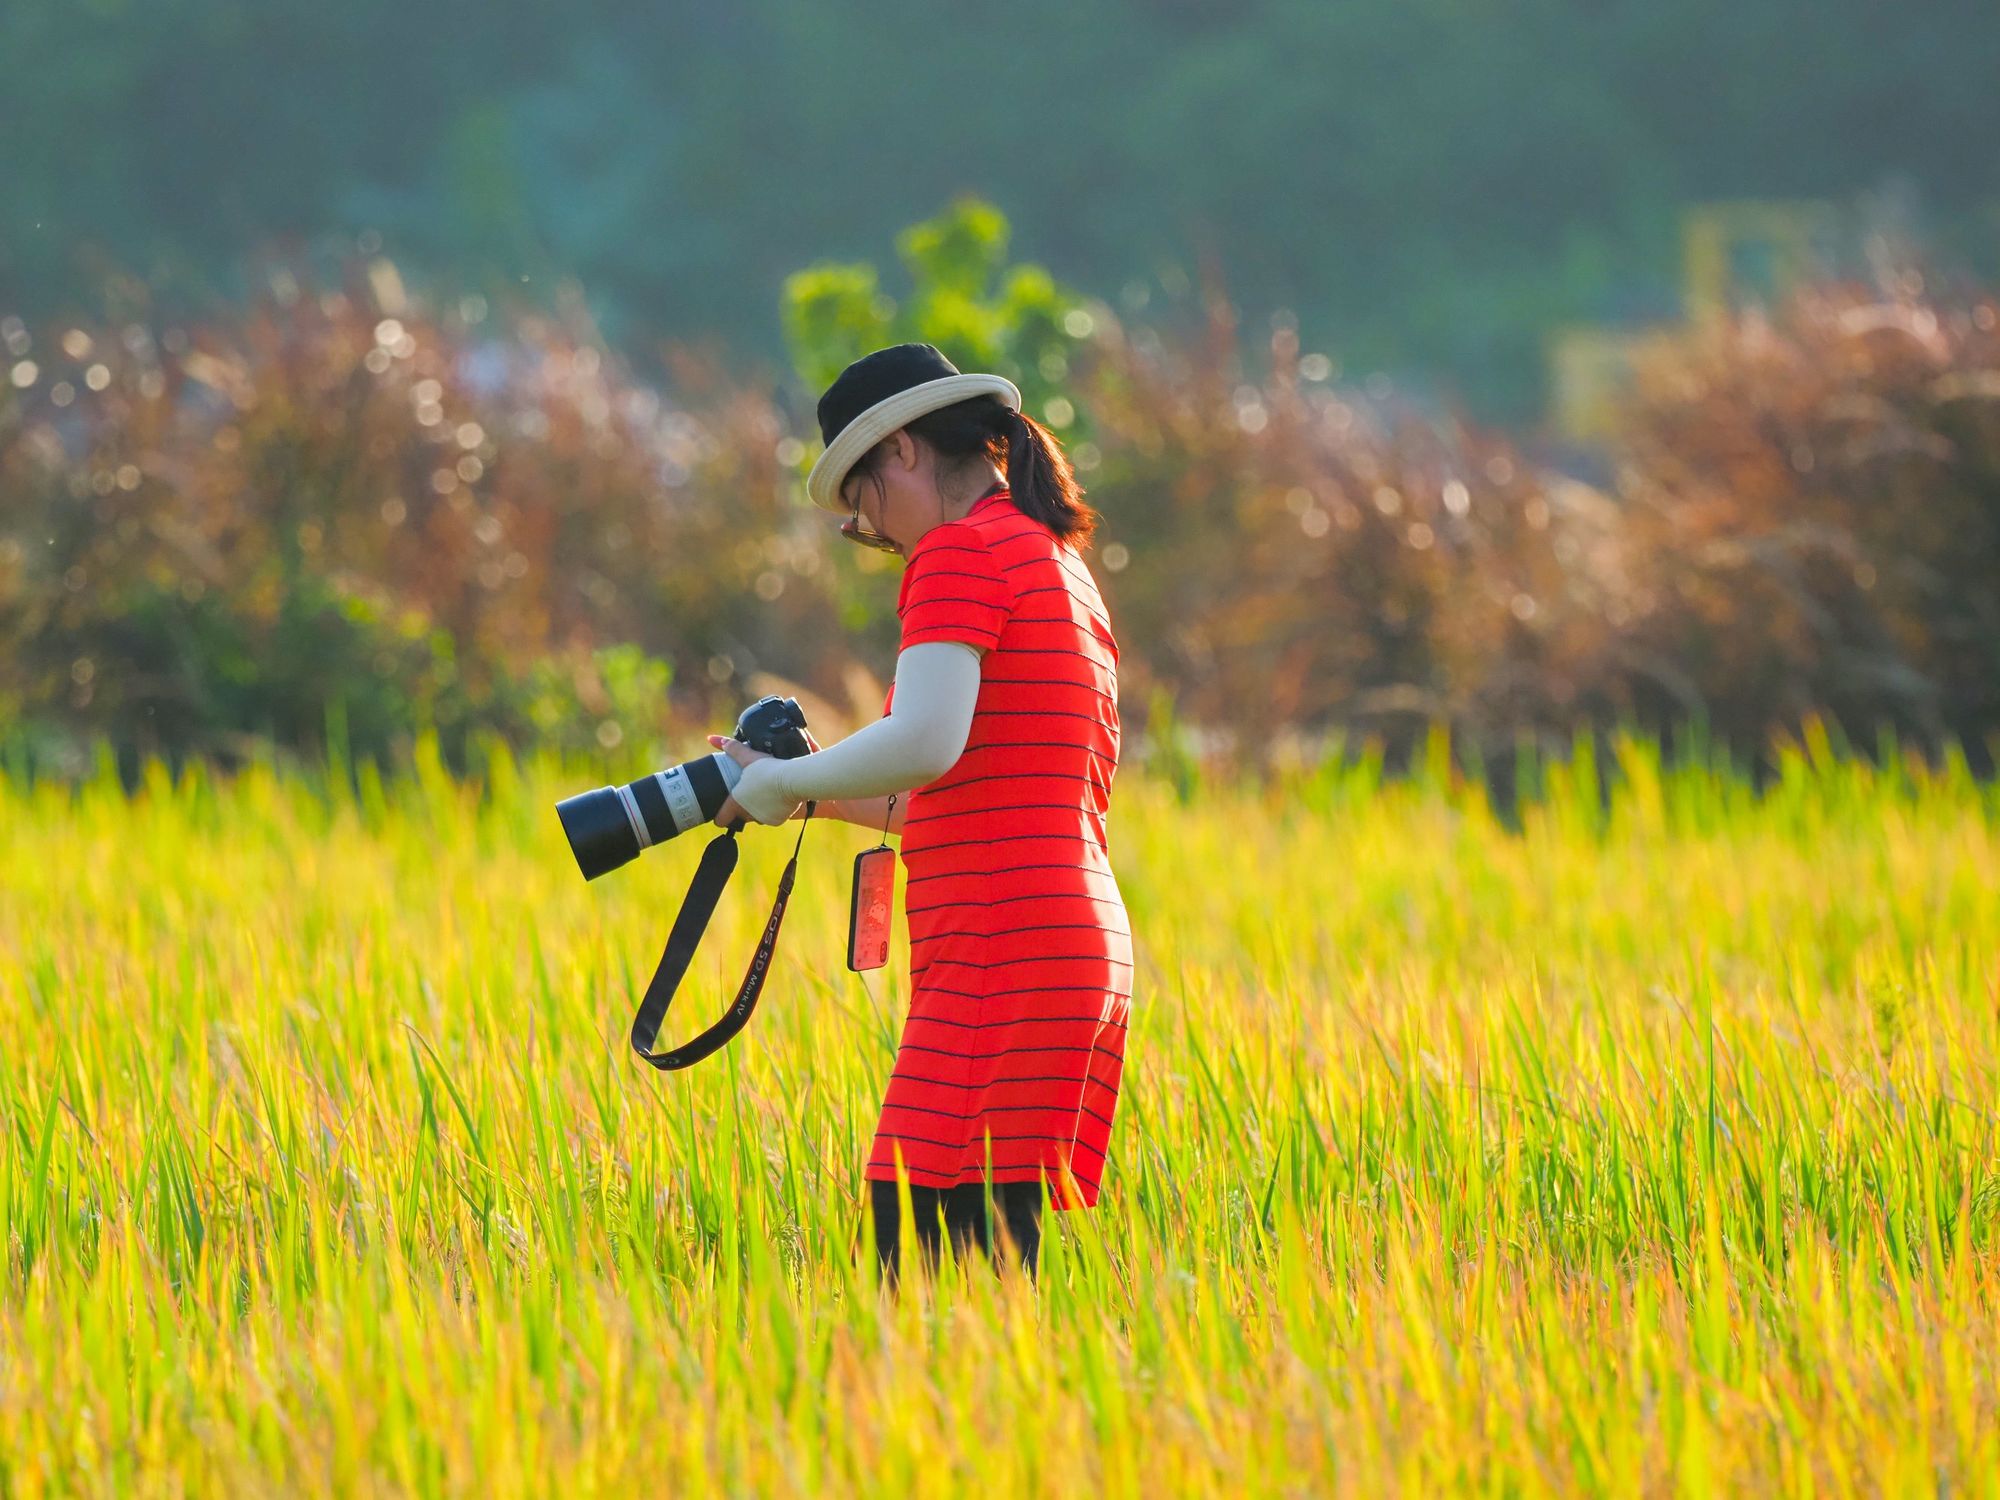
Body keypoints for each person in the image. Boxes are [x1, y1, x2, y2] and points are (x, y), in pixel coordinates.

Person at [709, 343, 1132, 1283]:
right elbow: (961, 785)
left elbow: (928, 744)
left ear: (899, 451)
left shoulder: (961, 550)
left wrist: (780, 786)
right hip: (1068, 940)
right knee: (985, 1269)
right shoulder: (1053, 558)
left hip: (1002, 944)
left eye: (866, 508)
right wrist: (799, 784)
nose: (883, 537)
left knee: (917, 1264)